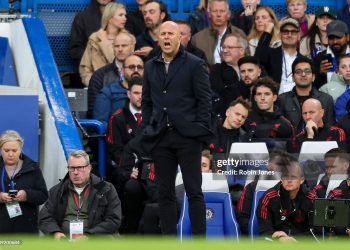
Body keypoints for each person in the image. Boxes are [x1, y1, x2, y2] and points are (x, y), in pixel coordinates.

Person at [140, 21, 212, 235]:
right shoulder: (150, 65)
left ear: (180, 37)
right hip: (160, 136)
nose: (166, 37)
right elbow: (146, 101)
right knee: (165, 193)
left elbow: (204, 100)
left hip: (188, 137)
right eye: (163, 34)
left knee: (194, 191)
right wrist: (148, 126)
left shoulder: (195, 63)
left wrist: (199, 127)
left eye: (171, 33)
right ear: (158, 38)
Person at [39, 150, 121, 239]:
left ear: (89, 168)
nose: (75, 172)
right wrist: (55, 232)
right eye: (71, 168)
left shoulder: (106, 189)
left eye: (80, 168)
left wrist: (89, 236)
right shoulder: (57, 190)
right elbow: (44, 217)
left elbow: (113, 220)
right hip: (65, 240)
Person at [0, 130, 48, 234]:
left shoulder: (33, 168)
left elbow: (43, 195)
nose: (11, 154)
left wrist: (26, 195)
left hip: (26, 230)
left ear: (21, 149)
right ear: (1, 150)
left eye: (14, 150)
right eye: (6, 150)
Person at [256, 158, 314, 241]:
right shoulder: (268, 197)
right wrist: (278, 238)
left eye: (293, 177)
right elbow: (264, 230)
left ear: (302, 180)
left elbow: (317, 231)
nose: (289, 180)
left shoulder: (311, 198)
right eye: (285, 176)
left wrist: (295, 240)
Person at [236, 149, 289, 234]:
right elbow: (242, 217)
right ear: (269, 165)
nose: (283, 168)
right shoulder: (251, 188)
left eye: (286, 165)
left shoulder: (295, 188)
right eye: (279, 164)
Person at [278, 56, 335, 134]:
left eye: (307, 71)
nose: (303, 74)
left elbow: (331, 129)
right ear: (293, 77)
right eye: (298, 72)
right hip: (292, 143)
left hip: (319, 143)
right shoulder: (282, 99)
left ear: (313, 77)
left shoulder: (326, 99)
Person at [88, 30, 136, 117]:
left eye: (124, 46)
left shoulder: (143, 71)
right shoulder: (99, 75)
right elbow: (93, 109)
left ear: (133, 48)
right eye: (116, 46)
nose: (120, 49)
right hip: (111, 126)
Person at [243, 77, 296, 152]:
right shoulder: (245, 119)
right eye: (259, 94)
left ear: (274, 97)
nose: (262, 98)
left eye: (267, 94)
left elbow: (292, 152)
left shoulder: (285, 124)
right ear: (255, 98)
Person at [80, 2, 127, 86]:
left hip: (120, 89)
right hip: (97, 87)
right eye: (120, 15)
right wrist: (93, 83)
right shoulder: (95, 38)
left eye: (124, 15)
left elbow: (118, 64)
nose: (124, 18)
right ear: (109, 18)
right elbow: (85, 67)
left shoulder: (128, 39)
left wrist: (104, 41)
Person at [92, 55, 144, 127]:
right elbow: (101, 124)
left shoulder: (153, 92)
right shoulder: (107, 93)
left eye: (140, 67)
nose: (136, 70)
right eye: (131, 67)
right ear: (122, 71)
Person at [254, 17, 302, 94]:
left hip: (296, 100)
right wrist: (267, 31)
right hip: (275, 98)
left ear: (299, 36)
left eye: (293, 32)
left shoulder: (303, 59)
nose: (289, 35)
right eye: (285, 32)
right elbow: (258, 58)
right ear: (280, 35)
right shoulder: (271, 54)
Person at [192, 0, 246, 66]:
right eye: (215, 11)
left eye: (222, 11)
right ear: (209, 14)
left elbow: (246, 60)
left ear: (229, 14)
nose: (218, 15)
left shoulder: (239, 34)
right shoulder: (197, 38)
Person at [107, 76, 143, 166]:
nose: (140, 97)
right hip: (127, 170)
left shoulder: (155, 116)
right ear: (128, 94)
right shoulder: (117, 118)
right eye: (136, 93)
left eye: (144, 93)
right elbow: (116, 152)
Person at [210, 33, 248, 117]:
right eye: (223, 47)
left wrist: (228, 87)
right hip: (226, 115)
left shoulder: (254, 67)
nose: (225, 50)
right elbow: (220, 92)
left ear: (241, 50)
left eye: (229, 47)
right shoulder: (217, 69)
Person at [69, 0, 113, 65]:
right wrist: (95, 60)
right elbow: (75, 50)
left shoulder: (121, 16)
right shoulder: (82, 17)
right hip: (92, 67)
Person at [314, 20, 350, 89]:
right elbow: (315, 88)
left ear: (347, 37)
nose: (335, 41)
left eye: (338, 37)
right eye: (331, 38)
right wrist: (320, 74)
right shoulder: (320, 58)